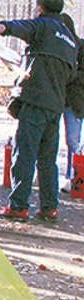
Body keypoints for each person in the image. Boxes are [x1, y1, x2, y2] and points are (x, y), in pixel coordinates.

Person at [0, 0, 80, 222]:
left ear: (40, 8)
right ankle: (50, 207)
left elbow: (25, 27)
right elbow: (70, 75)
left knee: (25, 154)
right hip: (55, 107)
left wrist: (3, 27)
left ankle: (19, 205)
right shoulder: (70, 39)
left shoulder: (43, 25)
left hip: (35, 102)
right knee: (48, 159)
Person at [63, 14, 84, 194]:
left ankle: (73, 177)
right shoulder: (56, 47)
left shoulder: (80, 47)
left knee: (73, 141)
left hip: (74, 101)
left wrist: (69, 76)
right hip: (56, 99)